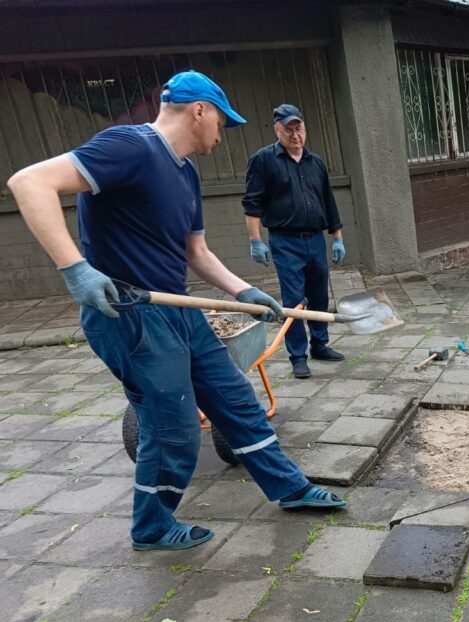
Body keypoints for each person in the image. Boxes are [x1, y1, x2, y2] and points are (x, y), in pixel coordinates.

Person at [7, 70, 346, 552]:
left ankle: (289, 488)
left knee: (237, 400)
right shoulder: (130, 147)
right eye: (221, 122)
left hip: (178, 308)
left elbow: (196, 253)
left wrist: (244, 290)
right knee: (174, 429)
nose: (221, 134)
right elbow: (29, 182)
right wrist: (75, 270)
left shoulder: (185, 172)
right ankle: (151, 526)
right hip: (130, 312)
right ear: (199, 110)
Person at [243, 104, 347, 379]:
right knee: (293, 301)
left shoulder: (316, 162)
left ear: (304, 128)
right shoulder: (263, 160)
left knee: (319, 295)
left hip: (315, 240)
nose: (294, 134)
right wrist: (255, 240)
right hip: (285, 242)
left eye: (298, 128)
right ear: (277, 130)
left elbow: (328, 200)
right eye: (287, 129)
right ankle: (297, 356)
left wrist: (337, 238)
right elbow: (252, 204)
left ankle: (320, 345)